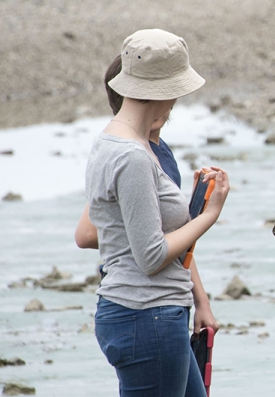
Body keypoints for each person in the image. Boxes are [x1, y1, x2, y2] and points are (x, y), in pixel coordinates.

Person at [85, 28, 229, 396]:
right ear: (165, 92)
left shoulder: (114, 142)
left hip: (150, 315)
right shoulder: (132, 156)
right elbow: (150, 256)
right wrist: (208, 215)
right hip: (145, 316)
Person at [76, 54, 218, 345]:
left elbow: (171, 239)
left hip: (163, 299)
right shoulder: (133, 157)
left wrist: (200, 300)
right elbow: (87, 233)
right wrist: (202, 217)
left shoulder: (157, 152)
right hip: (143, 303)